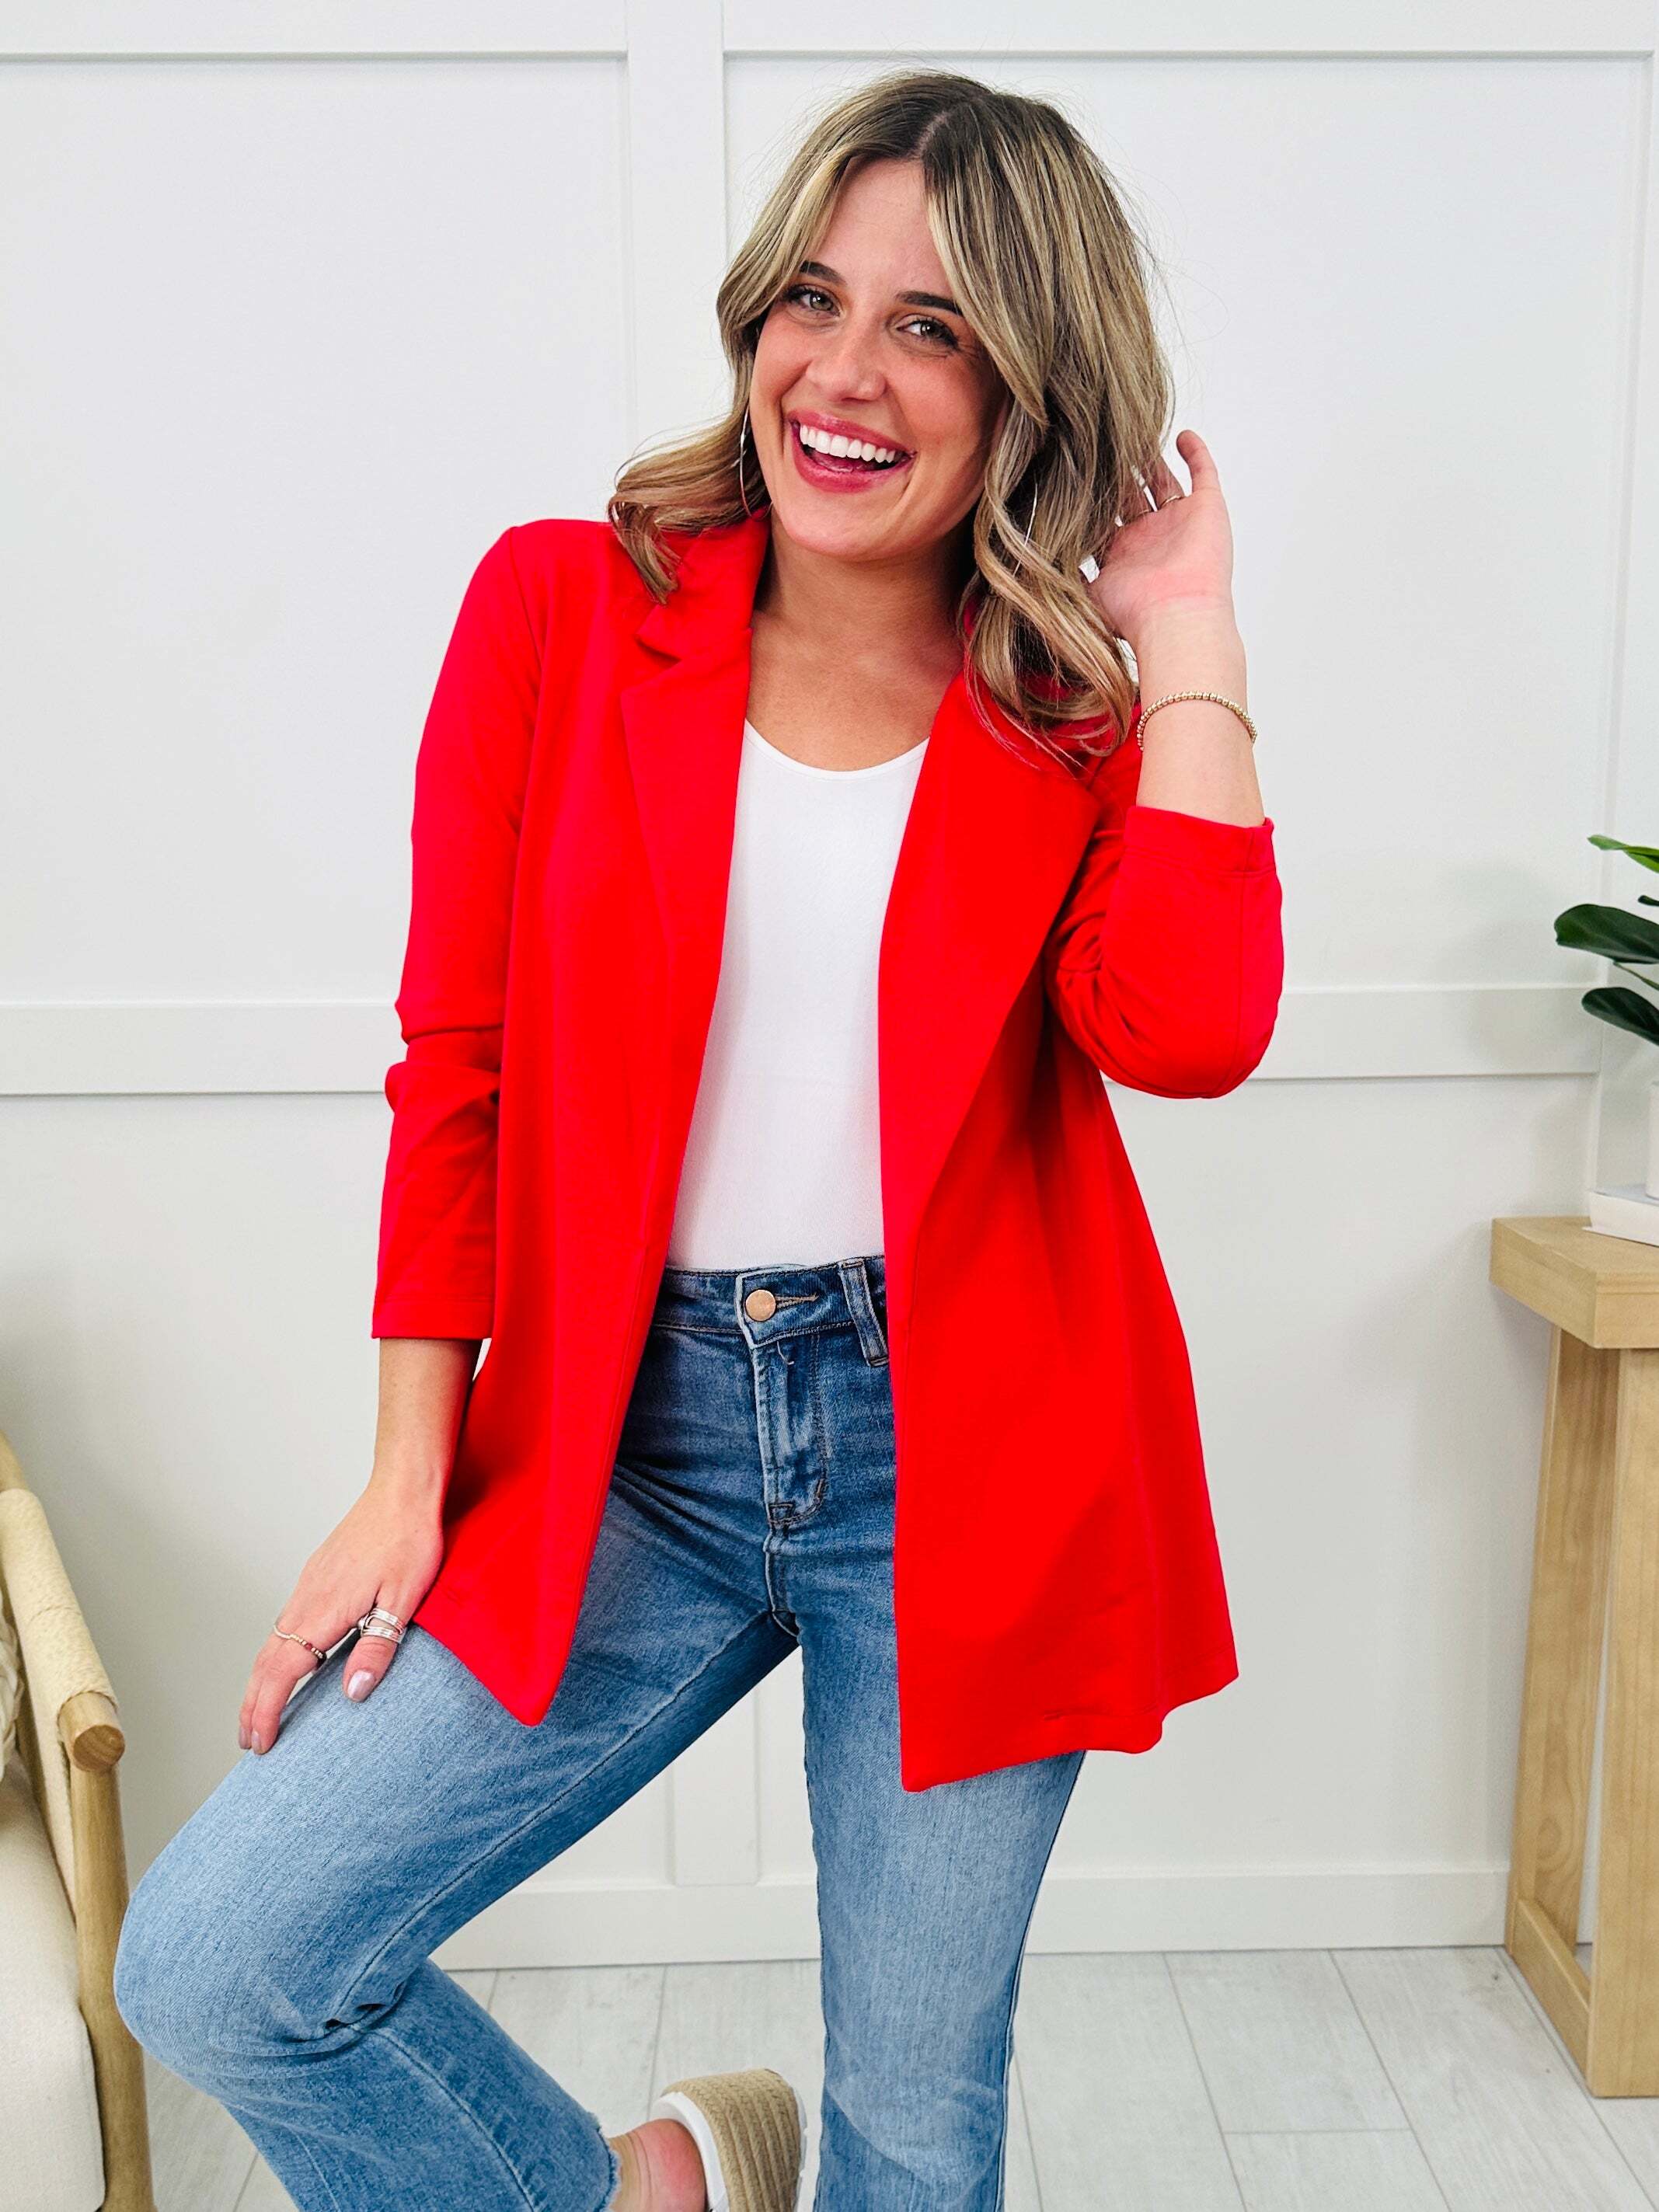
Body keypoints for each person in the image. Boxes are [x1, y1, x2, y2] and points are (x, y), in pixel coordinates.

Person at [113, 64, 1283, 2212]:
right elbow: (456, 1059)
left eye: (931, 328)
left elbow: (1192, 1031)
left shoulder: (1071, 710)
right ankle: (643, 2193)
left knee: (912, 2134)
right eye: (811, 300)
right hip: (627, 1442)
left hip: (970, 1460)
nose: (843, 373)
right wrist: (405, 1470)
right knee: (222, 1962)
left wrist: (1188, 632)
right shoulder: (563, 611)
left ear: (1030, 386)